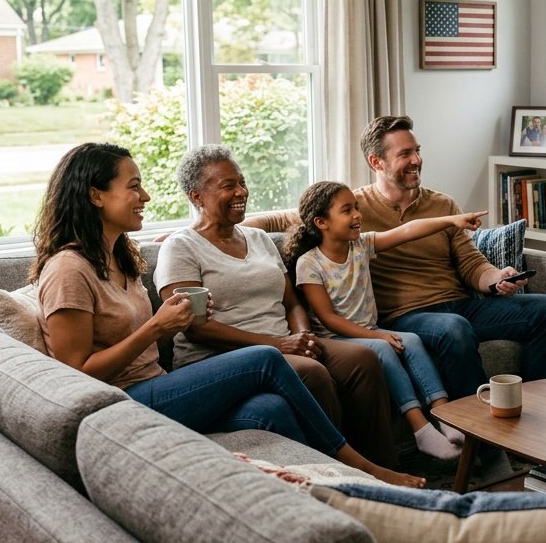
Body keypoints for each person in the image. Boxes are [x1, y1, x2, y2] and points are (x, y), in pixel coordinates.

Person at [31, 142, 422, 487]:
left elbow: (154, 341)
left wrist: (173, 322)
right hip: (122, 402)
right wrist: (158, 326)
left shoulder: (119, 259)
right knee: (270, 358)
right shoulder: (69, 269)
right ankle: (361, 471)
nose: (146, 196)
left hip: (159, 382)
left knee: (275, 409)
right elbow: (77, 373)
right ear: (96, 196)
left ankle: (323, 494)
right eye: (134, 186)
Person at [154, 145, 400, 469]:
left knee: (363, 359)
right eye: (228, 185)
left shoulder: (258, 239)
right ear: (196, 195)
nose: (241, 191)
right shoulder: (181, 246)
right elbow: (193, 326)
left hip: (284, 343)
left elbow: (291, 302)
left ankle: (384, 466)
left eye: (242, 182)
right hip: (223, 357)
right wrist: (281, 345)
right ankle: (336, 474)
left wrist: (303, 335)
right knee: (311, 373)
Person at [354, 116, 546, 400]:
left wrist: (497, 278)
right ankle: (481, 434)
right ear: (376, 162)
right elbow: (303, 217)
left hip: (459, 307)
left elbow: (471, 263)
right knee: (453, 328)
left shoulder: (442, 204)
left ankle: (538, 409)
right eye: (404, 154)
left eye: (417, 150)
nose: (416, 160)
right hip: (404, 317)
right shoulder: (355, 209)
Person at [283, 181, 487, 460]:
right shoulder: (309, 263)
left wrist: (452, 220)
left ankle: (445, 416)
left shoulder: (361, 245)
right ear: (322, 222)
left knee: (412, 341)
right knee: (383, 349)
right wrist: (378, 336)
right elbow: (329, 319)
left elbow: (407, 231)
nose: (357, 214)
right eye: (347, 210)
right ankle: (421, 429)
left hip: (369, 330)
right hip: (337, 339)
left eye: (356, 207)